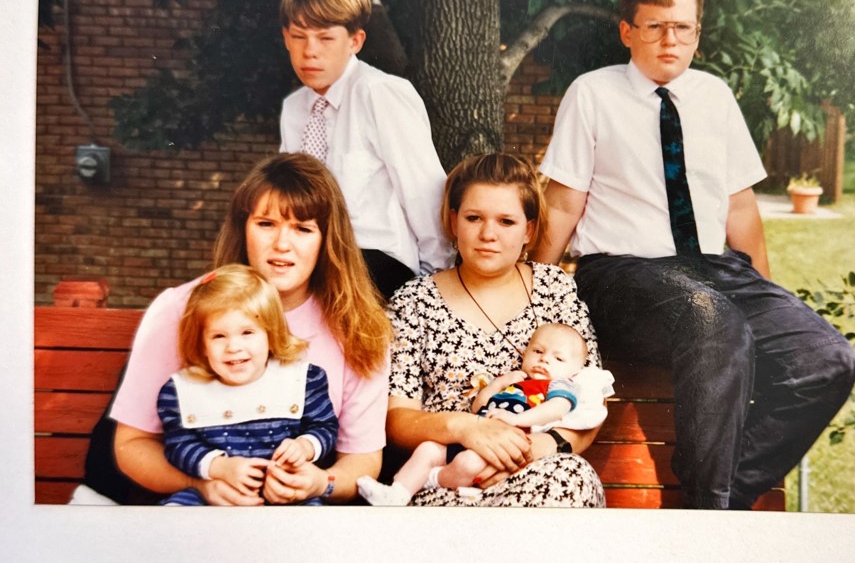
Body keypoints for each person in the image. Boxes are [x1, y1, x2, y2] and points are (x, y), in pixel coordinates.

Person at [532, 0, 855, 510]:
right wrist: (533, 299)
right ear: (627, 31)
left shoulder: (715, 96)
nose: (670, 40)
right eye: (656, 26)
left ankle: (719, 501)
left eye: (683, 27)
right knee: (713, 319)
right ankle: (711, 511)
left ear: (697, 34)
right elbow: (564, 203)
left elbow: (740, 206)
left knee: (825, 359)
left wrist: (768, 296)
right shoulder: (592, 93)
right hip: (622, 274)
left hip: (713, 270)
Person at [99, 153, 391, 506]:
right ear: (243, 228)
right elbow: (132, 445)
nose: (282, 244)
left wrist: (318, 483)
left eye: (302, 228)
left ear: (327, 239)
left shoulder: (358, 327)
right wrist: (201, 485)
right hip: (199, 510)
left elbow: (363, 459)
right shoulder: (180, 308)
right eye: (266, 224)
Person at [387, 152, 606, 507]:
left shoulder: (553, 289)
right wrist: (465, 428)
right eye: (474, 218)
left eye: (506, 221)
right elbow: (398, 418)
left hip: (534, 474)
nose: (488, 234)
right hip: (444, 479)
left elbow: (590, 397)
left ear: (528, 230)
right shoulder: (415, 301)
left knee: (572, 477)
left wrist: (533, 449)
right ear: (453, 221)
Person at [278, 0, 453, 299]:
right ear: (286, 38)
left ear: (355, 41)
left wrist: (434, 285)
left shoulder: (380, 93)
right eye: (299, 37)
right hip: (308, 259)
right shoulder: (294, 109)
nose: (310, 51)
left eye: (325, 38)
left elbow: (425, 194)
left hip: (374, 262)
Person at [358, 322, 612, 506]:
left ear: (575, 370)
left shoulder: (560, 386)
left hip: (505, 447)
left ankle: (432, 479)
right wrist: (496, 384)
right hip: (472, 437)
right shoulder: (515, 381)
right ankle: (396, 494)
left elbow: (556, 409)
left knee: (468, 464)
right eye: (538, 352)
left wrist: (517, 420)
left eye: (558, 359)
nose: (544, 360)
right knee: (427, 449)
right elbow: (478, 407)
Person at [157, 264, 339, 506]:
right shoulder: (183, 391)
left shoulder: (301, 380)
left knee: (313, 518)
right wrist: (220, 467)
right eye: (219, 336)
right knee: (175, 511)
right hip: (216, 495)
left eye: (247, 333)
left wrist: (304, 446)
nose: (233, 347)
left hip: (287, 492)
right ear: (202, 345)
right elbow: (178, 445)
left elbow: (325, 427)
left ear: (270, 335)